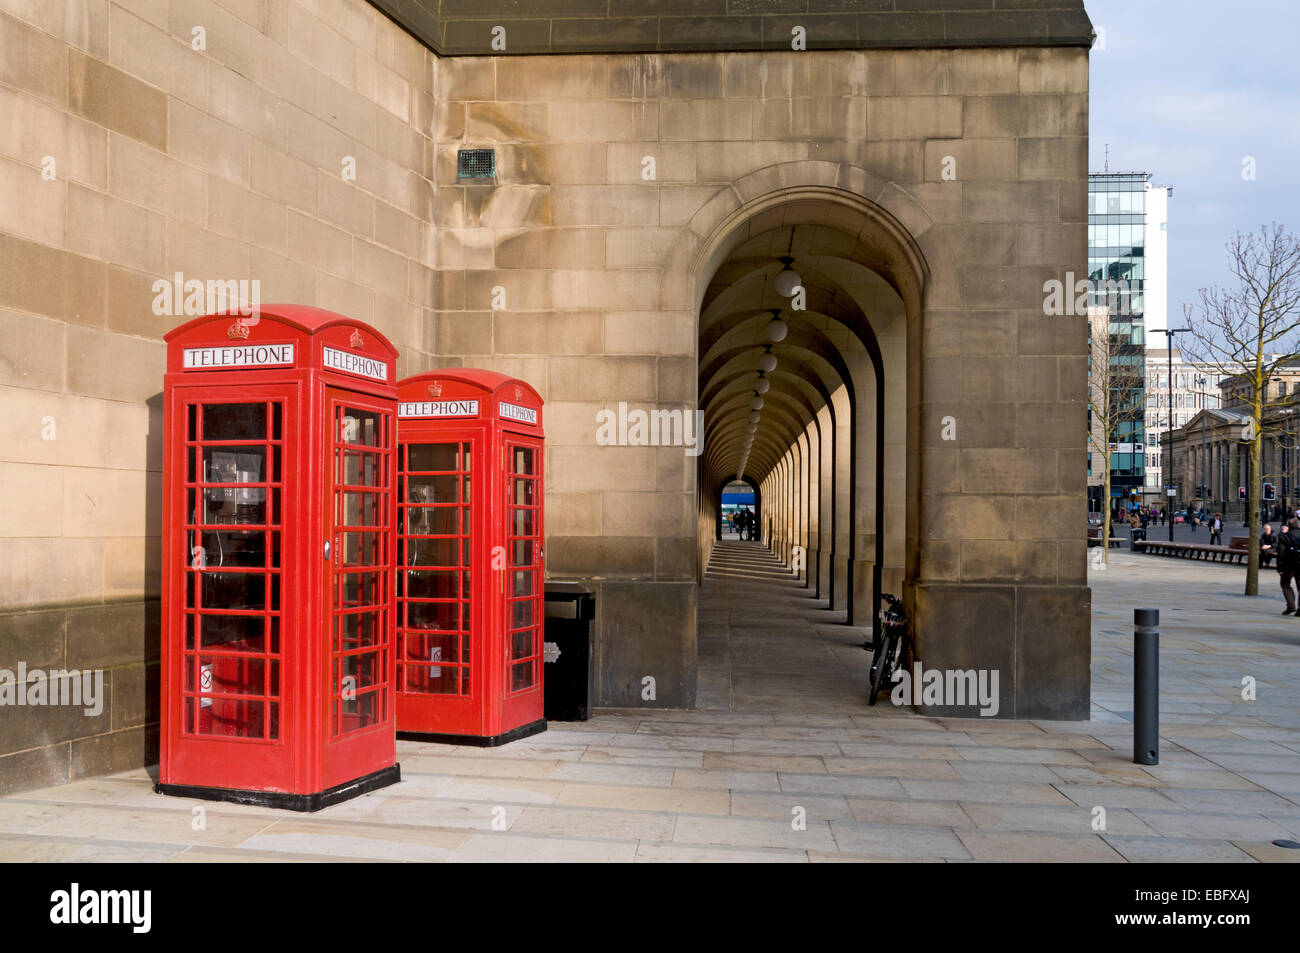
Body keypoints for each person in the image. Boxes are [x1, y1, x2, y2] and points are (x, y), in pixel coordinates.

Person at [1279, 519, 1300, 615]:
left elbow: (1281, 553)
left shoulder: (1284, 536)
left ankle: (1291, 606)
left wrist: (1280, 568)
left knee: (1285, 584)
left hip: (1289, 565)